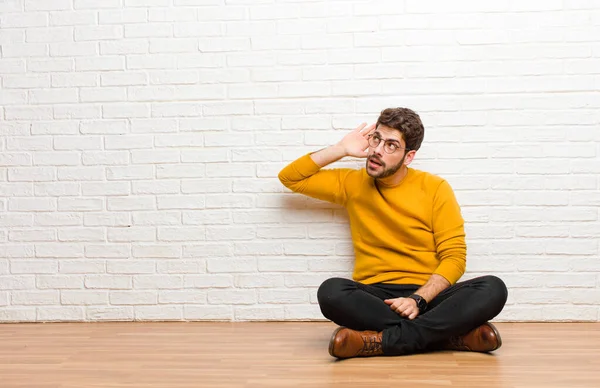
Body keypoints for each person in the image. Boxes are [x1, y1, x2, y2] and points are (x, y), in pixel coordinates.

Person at [277, 107, 508, 359]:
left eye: (390, 145)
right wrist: (341, 149)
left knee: (493, 288)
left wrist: (417, 300)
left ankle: (378, 341)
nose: (377, 149)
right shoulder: (351, 183)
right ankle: (449, 336)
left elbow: (454, 257)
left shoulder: (435, 188)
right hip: (377, 297)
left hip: (428, 295)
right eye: (376, 138)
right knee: (331, 292)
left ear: (408, 157)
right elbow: (290, 178)